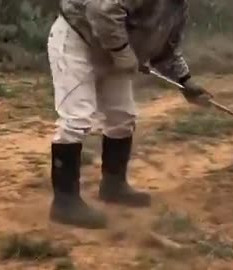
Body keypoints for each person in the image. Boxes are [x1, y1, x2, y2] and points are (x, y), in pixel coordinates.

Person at [47, 0, 212, 229]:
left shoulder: (178, 8)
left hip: (113, 50)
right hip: (78, 39)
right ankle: (64, 202)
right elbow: (101, 10)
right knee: (77, 118)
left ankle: (114, 186)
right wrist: (123, 52)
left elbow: (166, 51)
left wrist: (185, 82)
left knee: (123, 118)